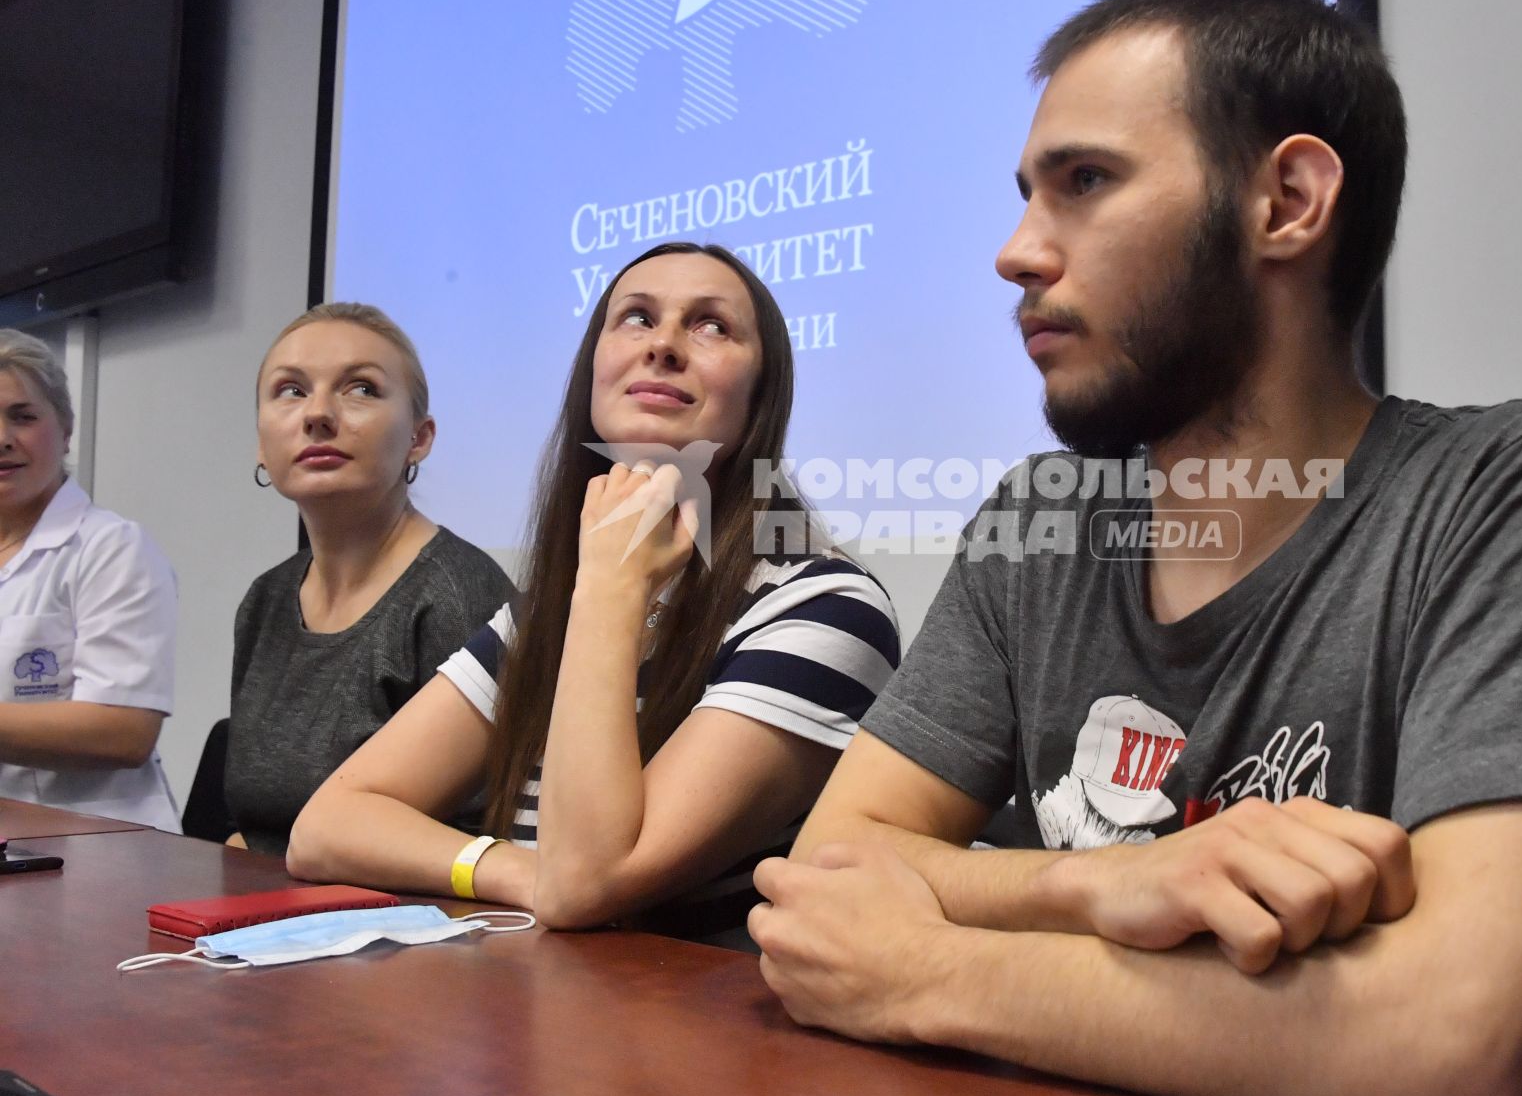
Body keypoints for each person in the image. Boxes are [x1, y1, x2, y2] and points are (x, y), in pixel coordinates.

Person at [750, 0, 1522, 1096]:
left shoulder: (1510, 492)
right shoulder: (1043, 519)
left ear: (1286, 199)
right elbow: (830, 868)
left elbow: (1450, 1039)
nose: (1016, 253)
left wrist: (929, 968)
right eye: (1028, 194)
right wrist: (1106, 881)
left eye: (1085, 182)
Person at [287, 243, 900, 938]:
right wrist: (511, 870)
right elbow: (328, 824)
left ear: (761, 396)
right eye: (635, 318)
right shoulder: (547, 613)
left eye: (710, 326)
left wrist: (612, 585)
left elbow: (585, 883)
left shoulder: (825, 610)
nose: (664, 345)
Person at [224, 304, 514, 854]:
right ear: (262, 445)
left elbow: (481, 835)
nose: (317, 415)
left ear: (419, 438)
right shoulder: (264, 599)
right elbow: (257, 825)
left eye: (360, 389)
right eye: (290, 390)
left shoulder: (458, 595)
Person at [0, 329, 179, 830]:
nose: (2, 438)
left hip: (94, 844)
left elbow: (124, 730)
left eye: (23, 416)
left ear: (66, 428)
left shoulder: (112, 547)